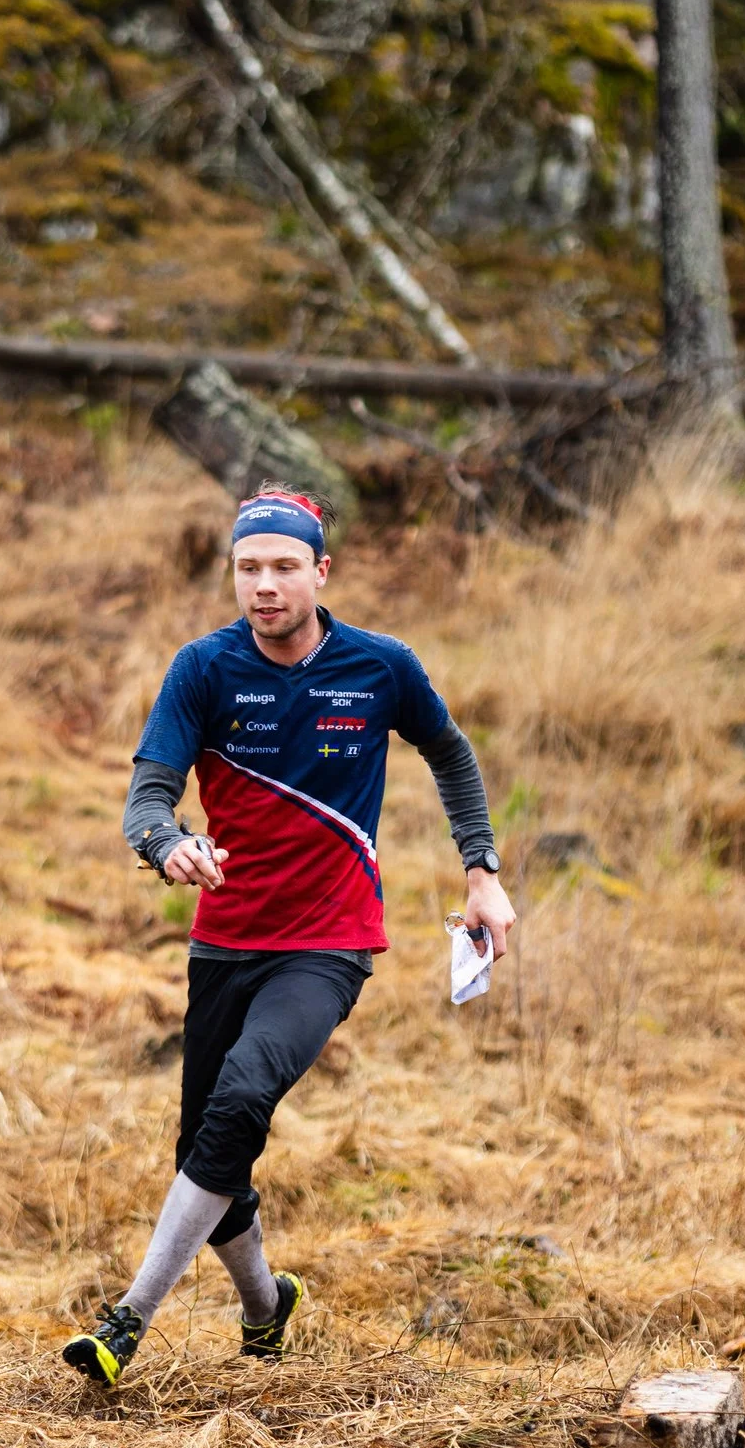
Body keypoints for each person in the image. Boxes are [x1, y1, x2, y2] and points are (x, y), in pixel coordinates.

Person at [60, 485, 516, 1386]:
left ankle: (126, 1320)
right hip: (226, 937)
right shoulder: (204, 668)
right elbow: (149, 792)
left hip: (329, 940)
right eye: (248, 568)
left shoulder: (381, 667)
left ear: (320, 571)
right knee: (206, 1146)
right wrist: (168, 842)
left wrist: (482, 869)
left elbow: (451, 752)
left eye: (283, 567)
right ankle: (268, 1308)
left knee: (240, 1099)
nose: (264, 585)